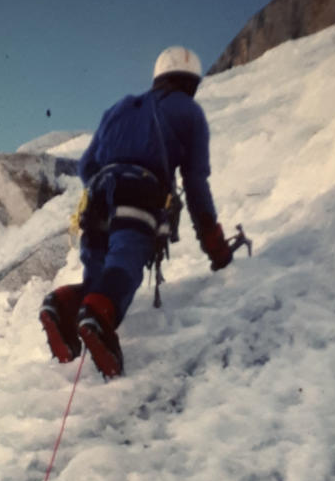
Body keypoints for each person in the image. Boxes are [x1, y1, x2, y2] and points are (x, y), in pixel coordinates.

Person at [40, 46, 233, 378]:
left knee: (98, 276)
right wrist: (214, 244)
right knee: (124, 268)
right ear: (192, 81)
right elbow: (195, 181)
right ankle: (98, 318)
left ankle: (63, 304)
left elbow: (87, 165)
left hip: (97, 199)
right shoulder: (189, 112)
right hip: (139, 195)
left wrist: (110, 184)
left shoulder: (120, 108)